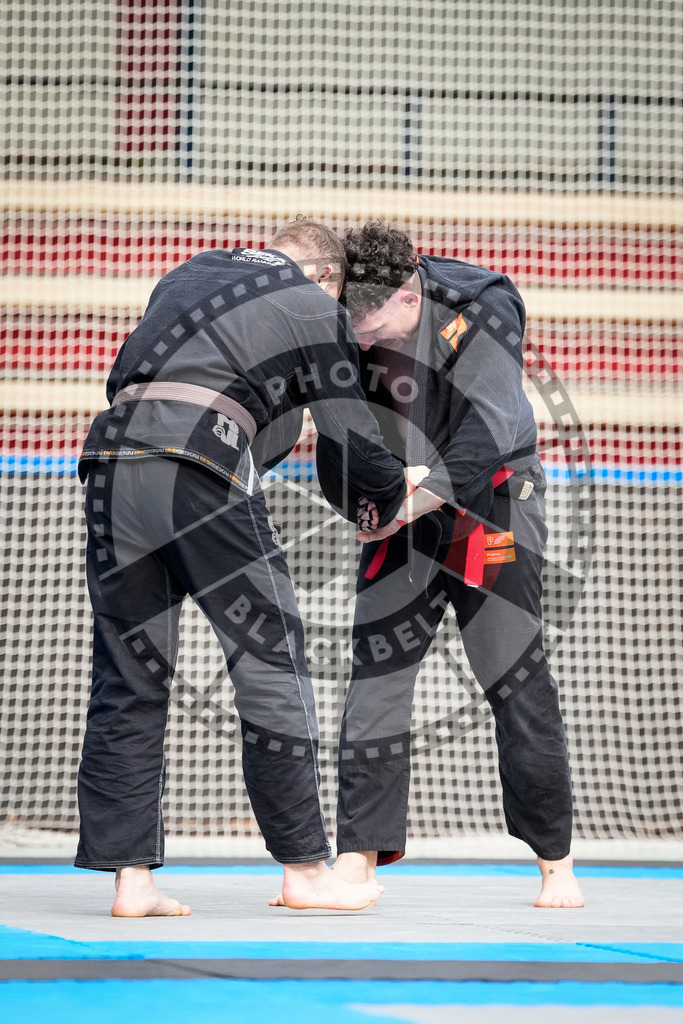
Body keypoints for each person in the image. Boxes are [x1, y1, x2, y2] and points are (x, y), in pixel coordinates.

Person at [74, 217, 408, 916]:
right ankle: (305, 870)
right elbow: (349, 433)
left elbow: (127, 371)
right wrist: (389, 494)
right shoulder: (314, 303)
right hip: (201, 463)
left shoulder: (190, 270)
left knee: (128, 675)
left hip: (110, 459)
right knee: (271, 665)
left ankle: (131, 881)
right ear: (325, 276)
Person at [328, 221, 584, 909]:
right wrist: (363, 510)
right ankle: (356, 857)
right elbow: (336, 431)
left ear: (409, 298)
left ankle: (555, 863)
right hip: (398, 503)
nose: (361, 339)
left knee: (516, 679)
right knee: (376, 677)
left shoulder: (483, 303)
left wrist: (412, 504)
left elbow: (492, 429)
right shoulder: (341, 317)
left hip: (491, 502)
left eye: (373, 326)